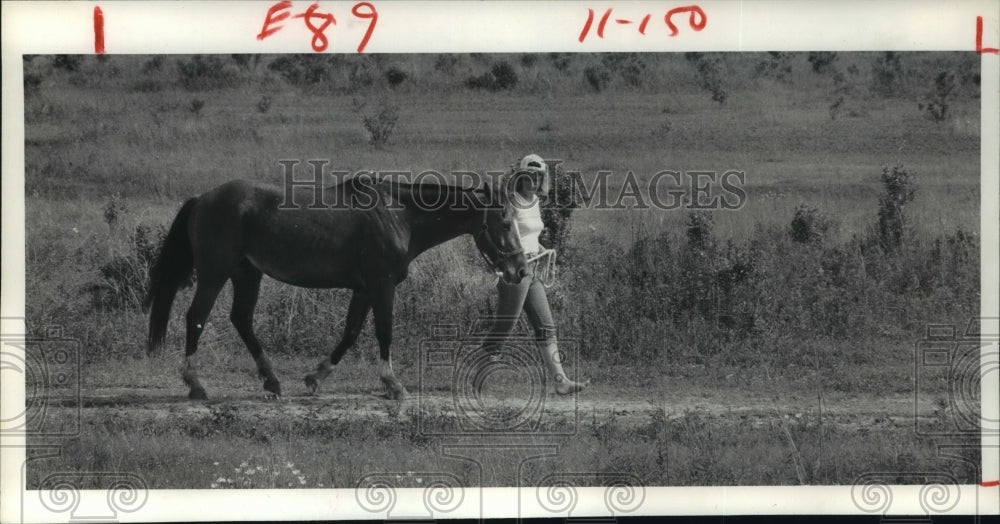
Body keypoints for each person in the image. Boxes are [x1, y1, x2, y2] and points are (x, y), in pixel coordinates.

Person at [481, 154, 587, 395]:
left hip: (534, 269)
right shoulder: (511, 202)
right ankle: (480, 365)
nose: (534, 181)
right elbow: (508, 238)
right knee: (506, 325)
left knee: (546, 327)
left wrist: (544, 250)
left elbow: (531, 237)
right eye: (529, 176)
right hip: (516, 272)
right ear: (520, 178)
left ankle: (561, 381)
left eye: (538, 177)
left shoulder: (536, 202)